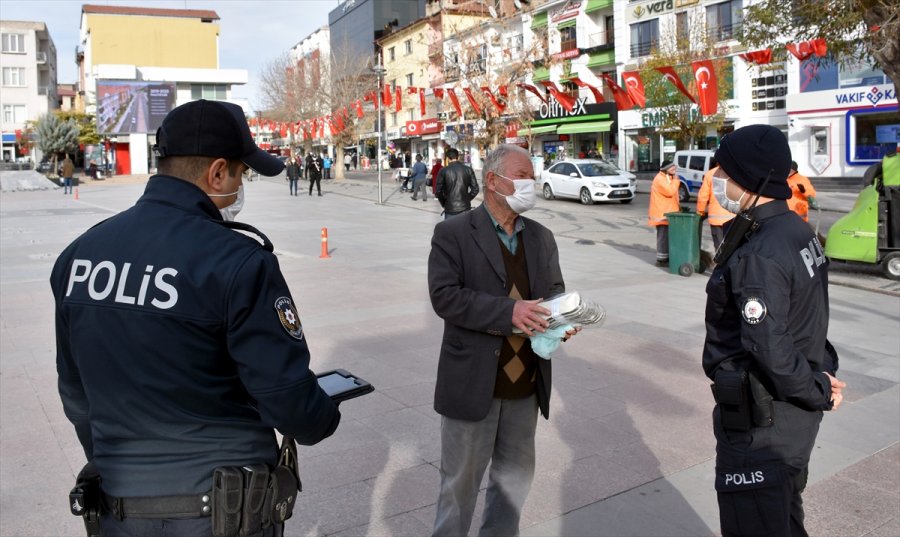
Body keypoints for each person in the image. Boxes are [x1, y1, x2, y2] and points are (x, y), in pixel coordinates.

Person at [50, 99, 341, 536]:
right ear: (218, 172)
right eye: (242, 174)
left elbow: (76, 395)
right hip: (220, 513)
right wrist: (323, 413)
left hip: (119, 510)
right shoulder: (239, 262)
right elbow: (288, 401)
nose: (241, 186)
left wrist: (118, 462)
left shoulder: (78, 256)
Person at [702, 124, 846, 537]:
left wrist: (818, 388)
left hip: (761, 425)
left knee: (757, 522)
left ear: (749, 178)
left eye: (725, 174)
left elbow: (770, 346)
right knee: (782, 519)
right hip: (787, 416)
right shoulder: (795, 230)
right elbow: (809, 316)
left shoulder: (761, 249)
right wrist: (820, 375)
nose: (719, 182)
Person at [428, 144, 578, 537]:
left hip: (525, 386)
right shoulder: (453, 233)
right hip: (474, 383)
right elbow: (445, 297)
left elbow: (554, 293)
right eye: (523, 175)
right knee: (459, 487)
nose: (531, 183)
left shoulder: (542, 238)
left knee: (512, 484)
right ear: (493, 181)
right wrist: (508, 313)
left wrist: (564, 318)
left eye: (532, 175)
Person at [695, 159, 734, 251]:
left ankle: (720, 264)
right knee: (731, 246)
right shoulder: (734, 172)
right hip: (732, 217)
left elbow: (703, 195)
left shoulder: (710, 174)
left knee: (719, 247)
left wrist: (700, 211)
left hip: (716, 218)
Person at [647, 160, 681, 266]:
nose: (674, 170)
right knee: (663, 237)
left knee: (667, 237)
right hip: (662, 215)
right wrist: (676, 181)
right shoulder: (660, 179)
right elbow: (670, 191)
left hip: (668, 213)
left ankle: (666, 257)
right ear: (666, 169)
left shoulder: (667, 177)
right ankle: (661, 260)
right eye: (672, 168)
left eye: (674, 167)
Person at [435, 148, 479, 220]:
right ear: (458, 157)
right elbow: (475, 189)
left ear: (448, 158)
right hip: (465, 208)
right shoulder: (468, 169)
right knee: (465, 230)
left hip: (450, 208)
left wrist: (444, 203)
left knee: (450, 230)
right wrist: (466, 199)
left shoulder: (443, 171)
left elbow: (438, 191)